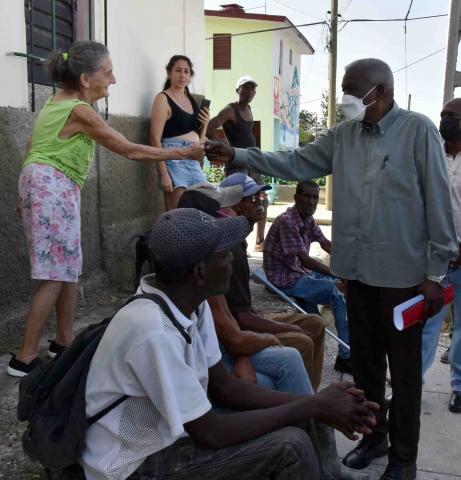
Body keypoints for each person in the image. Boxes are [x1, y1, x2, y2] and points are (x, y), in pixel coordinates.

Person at [205, 58, 458, 480]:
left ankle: (404, 460)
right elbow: (296, 162)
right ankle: (374, 437)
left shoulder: (417, 131)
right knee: (366, 366)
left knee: (406, 372)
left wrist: (435, 275)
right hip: (355, 276)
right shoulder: (343, 136)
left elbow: (438, 202)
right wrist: (239, 152)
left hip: (402, 280)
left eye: (352, 89)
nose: (346, 98)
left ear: (380, 91)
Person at [81, 207, 379, 480]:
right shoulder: (151, 330)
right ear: (200, 272)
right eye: (224, 255)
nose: (233, 259)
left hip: (169, 436)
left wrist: (318, 405)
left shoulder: (191, 304)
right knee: (291, 446)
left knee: (308, 411)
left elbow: (225, 387)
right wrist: (312, 406)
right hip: (132, 463)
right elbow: (210, 432)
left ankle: (328, 474)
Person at [7, 41, 204, 378]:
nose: (113, 80)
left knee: (68, 267)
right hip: (52, 186)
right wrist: (182, 155)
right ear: (85, 79)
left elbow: (32, 144)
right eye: (108, 73)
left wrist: (25, 190)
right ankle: (23, 359)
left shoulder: (56, 103)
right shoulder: (80, 111)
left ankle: (63, 342)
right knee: (55, 274)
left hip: (49, 185)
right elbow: (127, 148)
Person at [178, 184, 318, 395]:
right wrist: (269, 339)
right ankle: (308, 415)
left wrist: (243, 352)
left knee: (304, 336)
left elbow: (232, 325)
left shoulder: (217, 261)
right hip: (216, 367)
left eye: (259, 198)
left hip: (227, 349)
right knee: (294, 352)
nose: (232, 212)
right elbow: (234, 334)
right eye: (227, 208)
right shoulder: (207, 268)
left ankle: (312, 410)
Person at [219, 173, 328, 392]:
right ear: (236, 205)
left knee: (315, 323)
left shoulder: (238, 240)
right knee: (303, 339)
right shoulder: (229, 248)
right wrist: (282, 328)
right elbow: (239, 320)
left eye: (262, 198)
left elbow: (240, 309)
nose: (262, 205)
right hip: (241, 326)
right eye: (254, 200)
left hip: (248, 316)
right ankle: (302, 410)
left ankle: (312, 395)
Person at [264, 180, 351, 375]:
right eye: (307, 196)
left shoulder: (307, 219)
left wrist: (348, 264)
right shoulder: (288, 221)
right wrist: (339, 274)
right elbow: (304, 260)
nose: (312, 202)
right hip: (283, 277)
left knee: (332, 284)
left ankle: (321, 334)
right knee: (335, 289)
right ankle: (346, 355)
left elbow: (325, 243)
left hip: (296, 271)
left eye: (315, 197)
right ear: (296, 198)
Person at [421, 98, 461, 413]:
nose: (445, 119)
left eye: (452, 115)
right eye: (443, 114)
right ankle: (412, 383)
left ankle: (458, 387)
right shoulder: (433, 154)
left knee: (460, 326)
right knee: (428, 321)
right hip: (436, 256)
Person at [207, 76, 268, 252]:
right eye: (245, 88)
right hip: (237, 163)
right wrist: (225, 146)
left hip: (253, 162)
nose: (249, 92)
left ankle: (259, 242)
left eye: (252, 89)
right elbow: (211, 126)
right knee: (238, 205)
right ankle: (237, 243)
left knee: (262, 201)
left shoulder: (248, 109)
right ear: (238, 91)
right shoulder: (230, 110)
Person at [150, 55, 209, 211]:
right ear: (169, 73)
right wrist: (164, 174)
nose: (182, 75)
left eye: (186, 71)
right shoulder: (162, 99)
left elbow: (200, 139)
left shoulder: (191, 100)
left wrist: (205, 124)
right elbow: (155, 139)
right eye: (178, 70)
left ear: (190, 76)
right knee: (177, 215)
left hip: (193, 160)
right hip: (173, 157)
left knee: (201, 209)